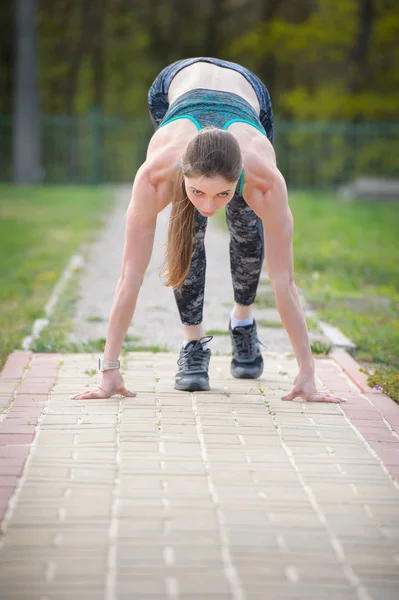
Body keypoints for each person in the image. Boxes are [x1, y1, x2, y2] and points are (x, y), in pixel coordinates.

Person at [71, 57, 345, 404]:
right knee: (189, 230)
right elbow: (130, 275)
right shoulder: (155, 176)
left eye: (224, 195)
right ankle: (193, 342)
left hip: (248, 92)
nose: (210, 207)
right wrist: (109, 368)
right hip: (176, 82)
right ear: (181, 174)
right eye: (198, 191)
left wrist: (308, 372)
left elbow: (284, 283)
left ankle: (242, 321)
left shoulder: (265, 181)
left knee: (246, 229)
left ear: (240, 178)